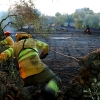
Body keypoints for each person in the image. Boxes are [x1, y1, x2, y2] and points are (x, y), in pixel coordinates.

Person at [0, 32, 61, 100]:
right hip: (38, 68)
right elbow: (46, 46)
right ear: (28, 36)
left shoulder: (15, 46)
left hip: (25, 75)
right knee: (55, 79)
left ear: (17, 38)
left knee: (28, 88)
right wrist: (42, 55)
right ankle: (50, 91)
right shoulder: (33, 41)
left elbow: (3, 54)